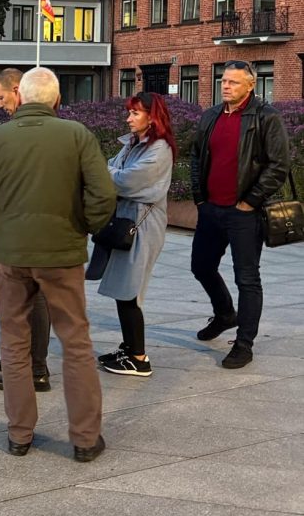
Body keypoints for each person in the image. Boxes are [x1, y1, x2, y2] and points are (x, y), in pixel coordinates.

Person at [0, 67, 116, 461]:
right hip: (62, 254)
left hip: (10, 254)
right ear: (57, 100)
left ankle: (20, 434)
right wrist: (84, 227)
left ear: (21, 97)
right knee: (76, 343)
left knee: (14, 343)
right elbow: (103, 194)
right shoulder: (77, 135)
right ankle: (84, 439)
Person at [189, 59, 290, 369]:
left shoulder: (266, 118)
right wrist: (200, 199)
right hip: (211, 211)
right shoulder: (210, 116)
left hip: (245, 214)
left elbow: (278, 165)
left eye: (233, 81)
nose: (226, 86)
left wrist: (250, 201)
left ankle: (244, 344)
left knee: (247, 279)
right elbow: (196, 158)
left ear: (250, 85)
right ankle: (224, 314)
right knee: (201, 266)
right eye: (223, 81)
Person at [92, 92, 175, 377]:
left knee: (130, 291)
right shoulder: (132, 145)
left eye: (135, 113)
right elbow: (114, 169)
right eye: (129, 112)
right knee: (122, 288)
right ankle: (129, 348)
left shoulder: (159, 148)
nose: (128, 118)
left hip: (143, 226)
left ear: (153, 117)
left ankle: (139, 358)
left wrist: (110, 172)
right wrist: (113, 171)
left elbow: (128, 181)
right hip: (128, 220)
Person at [0, 68, 52, 393]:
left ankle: (35, 368)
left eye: (0, 97)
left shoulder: (34, 128)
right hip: (29, 226)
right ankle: (23, 358)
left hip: (26, 228)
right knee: (28, 298)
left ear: (17, 90)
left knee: (33, 299)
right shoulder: (30, 127)